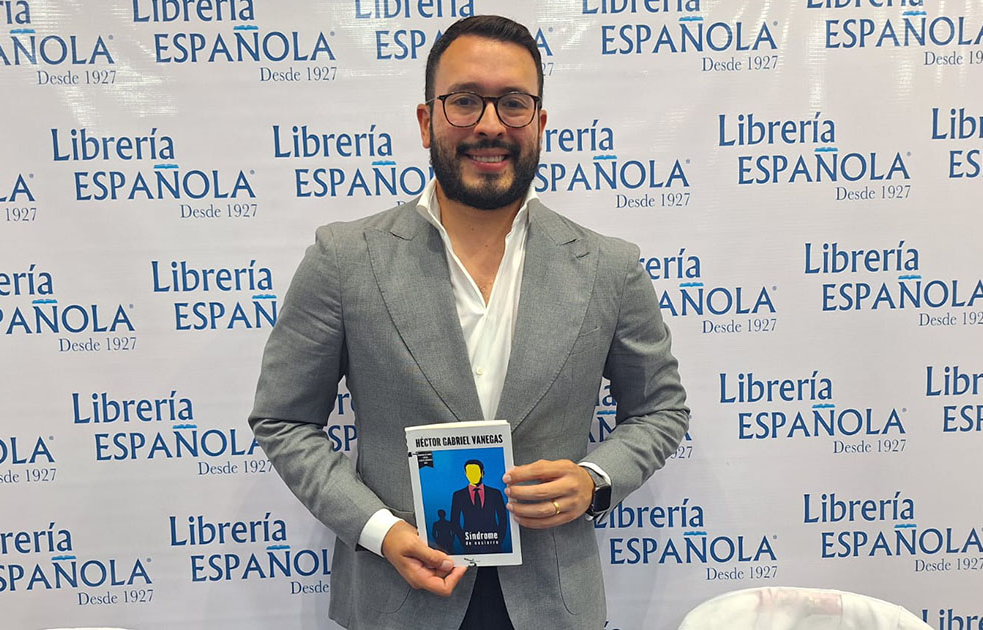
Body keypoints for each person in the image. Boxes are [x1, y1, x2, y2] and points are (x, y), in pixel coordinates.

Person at [249, 14, 689, 630]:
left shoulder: (610, 268)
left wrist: (595, 479)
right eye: (464, 101)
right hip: (396, 598)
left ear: (539, 123)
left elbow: (661, 410)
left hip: (553, 604)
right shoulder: (344, 260)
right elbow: (285, 419)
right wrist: (379, 530)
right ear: (426, 121)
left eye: (513, 103)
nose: (489, 124)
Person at [449, 460, 509, 554]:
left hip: (493, 544)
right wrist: (463, 540)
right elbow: (454, 521)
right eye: (470, 472)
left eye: (475, 471)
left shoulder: (495, 493)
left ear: (482, 473)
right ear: (466, 474)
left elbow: (503, 518)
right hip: (470, 544)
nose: (473, 475)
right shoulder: (458, 495)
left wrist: (499, 538)